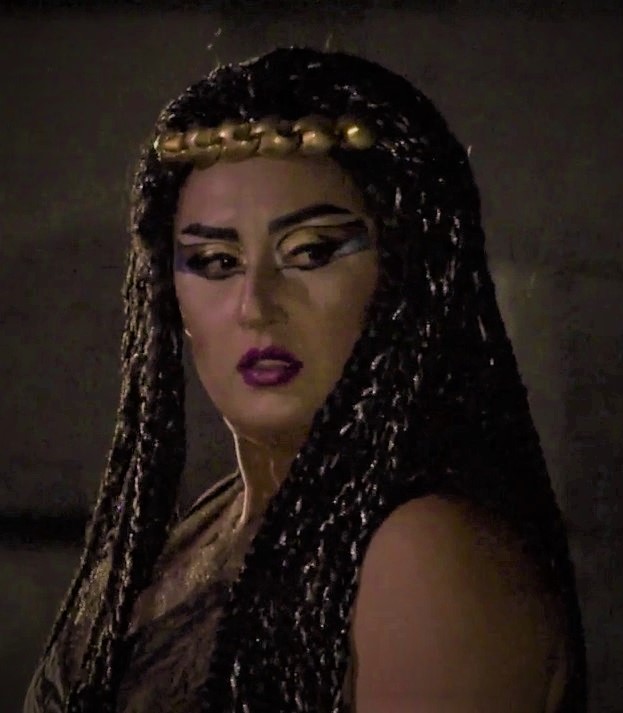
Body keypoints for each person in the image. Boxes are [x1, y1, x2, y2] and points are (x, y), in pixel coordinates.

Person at [24, 47, 586, 713]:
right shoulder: (204, 524)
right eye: (215, 260)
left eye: (312, 252)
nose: (255, 305)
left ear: (404, 276)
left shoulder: (427, 550)